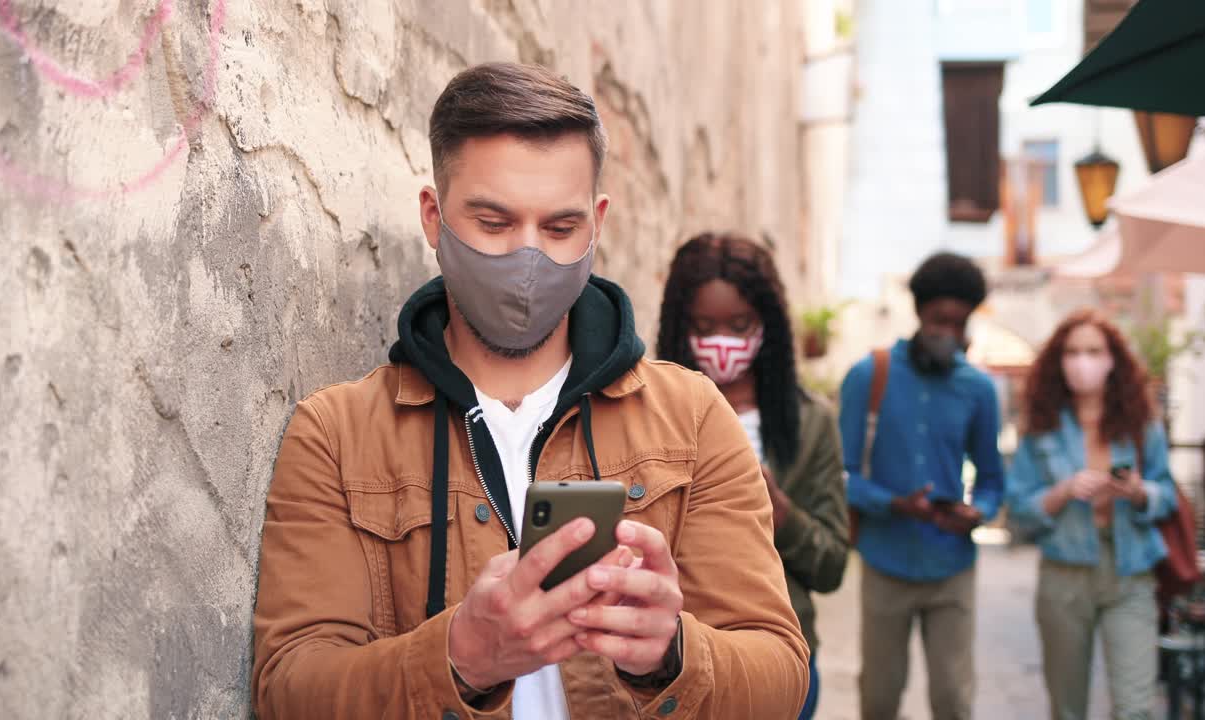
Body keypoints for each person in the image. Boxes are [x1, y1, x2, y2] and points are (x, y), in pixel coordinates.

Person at [251, 62, 808, 720]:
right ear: (433, 216)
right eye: (493, 222)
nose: (527, 259)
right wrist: (458, 657)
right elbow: (290, 688)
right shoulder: (336, 435)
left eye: (560, 229)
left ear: (597, 222)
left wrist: (673, 653)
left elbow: (780, 676)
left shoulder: (692, 418)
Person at [655, 232, 849, 720]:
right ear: (680, 325)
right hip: (672, 662)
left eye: (739, 325)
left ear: (767, 324)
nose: (723, 342)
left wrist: (780, 513)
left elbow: (831, 566)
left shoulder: (811, 422)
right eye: (704, 327)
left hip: (775, 664)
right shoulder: (651, 415)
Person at [839, 251, 1005, 720]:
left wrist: (978, 512)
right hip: (884, 563)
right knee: (879, 698)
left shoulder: (979, 389)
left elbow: (992, 480)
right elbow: (842, 475)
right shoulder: (869, 376)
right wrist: (893, 503)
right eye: (939, 320)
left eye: (960, 323)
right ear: (919, 313)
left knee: (953, 699)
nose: (948, 332)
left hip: (952, 566)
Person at [1007, 309, 1176, 720]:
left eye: (1093, 351)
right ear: (1059, 361)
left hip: (1130, 570)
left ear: (1112, 359)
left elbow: (1167, 494)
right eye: (1072, 352)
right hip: (1064, 574)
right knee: (1068, 709)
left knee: (1135, 708)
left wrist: (1139, 492)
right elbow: (1018, 512)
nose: (1082, 361)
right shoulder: (1041, 428)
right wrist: (1063, 491)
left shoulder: (1140, 423)